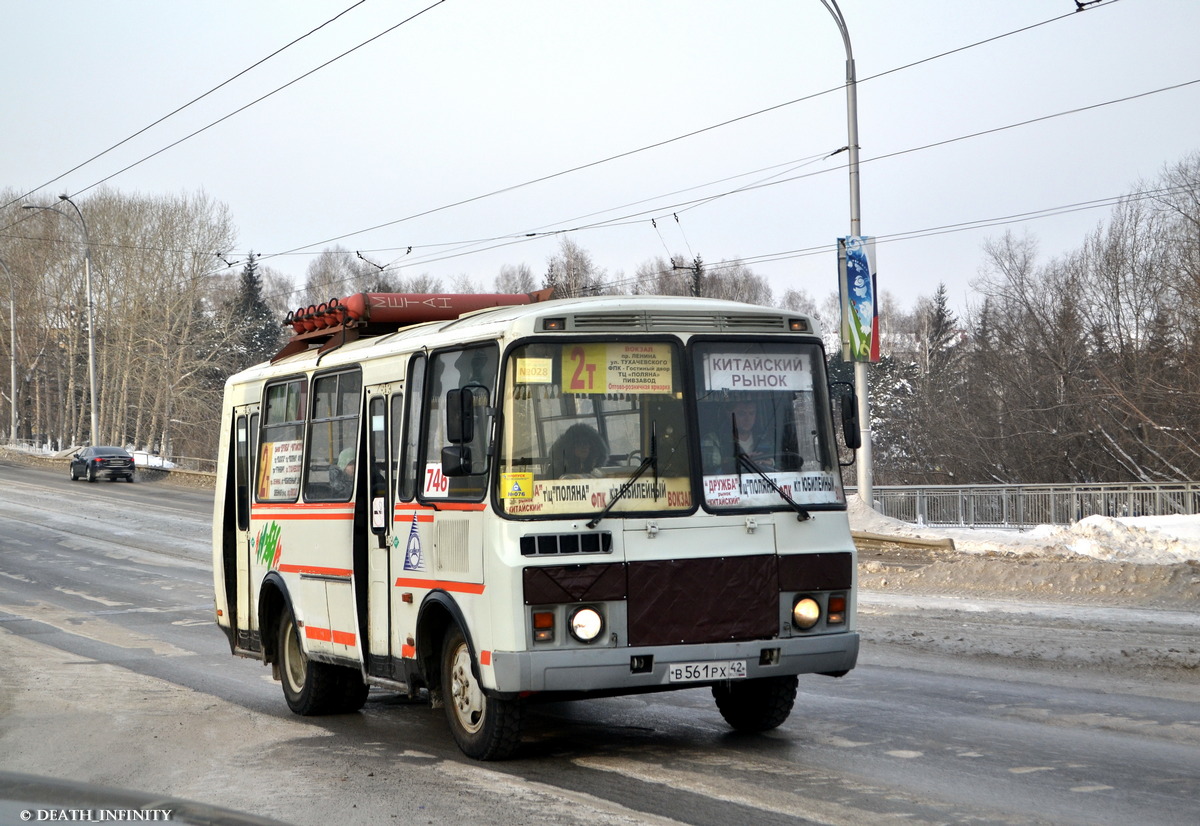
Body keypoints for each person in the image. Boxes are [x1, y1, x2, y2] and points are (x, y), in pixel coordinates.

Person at [701, 400, 773, 473]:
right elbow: (711, 474)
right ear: (729, 414)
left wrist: (771, 463)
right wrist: (738, 462)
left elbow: (782, 463)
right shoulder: (713, 440)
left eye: (752, 413)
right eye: (741, 414)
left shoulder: (765, 438)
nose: (747, 419)